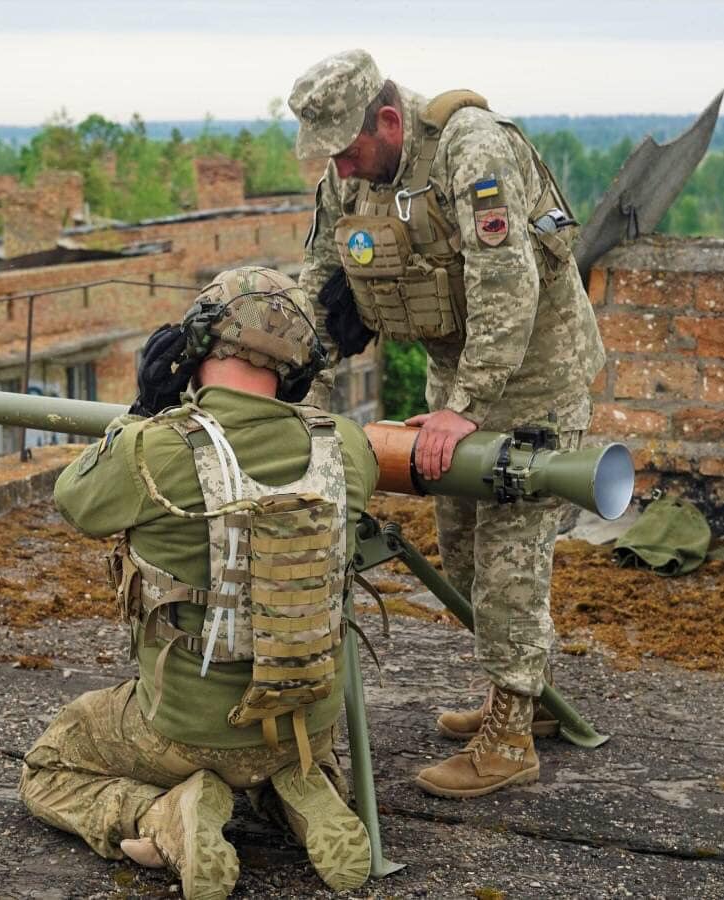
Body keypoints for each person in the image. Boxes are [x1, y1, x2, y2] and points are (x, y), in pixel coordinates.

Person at [288, 49, 606, 799]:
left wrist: (466, 409)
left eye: (349, 148)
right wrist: (304, 400)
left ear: (389, 122)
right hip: (454, 376)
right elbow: (321, 285)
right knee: (462, 560)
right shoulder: (350, 175)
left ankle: (510, 738)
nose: (341, 167)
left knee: (507, 557)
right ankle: (525, 692)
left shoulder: (473, 148)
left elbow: (508, 283)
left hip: (535, 376)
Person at [17, 266, 380, 900]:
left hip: (185, 730)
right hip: (307, 720)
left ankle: (163, 814)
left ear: (194, 344)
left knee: (48, 766)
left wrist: (143, 410)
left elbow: (75, 500)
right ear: (297, 365)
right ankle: (302, 787)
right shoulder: (345, 445)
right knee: (287, 749)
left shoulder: (154, 449)